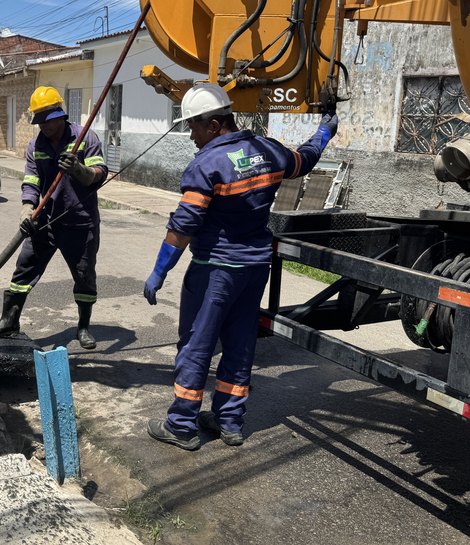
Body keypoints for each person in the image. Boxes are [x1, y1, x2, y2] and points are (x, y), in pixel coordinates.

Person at [144, 82, 339, 450]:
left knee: (197, 345)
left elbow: (184, 226)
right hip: (254, 268)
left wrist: (160, 271)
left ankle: (182, 424)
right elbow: (305, 159)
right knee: (239, 344)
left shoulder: (207, 165)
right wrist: (325, 131)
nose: (191, 136)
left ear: (214, 125)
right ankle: (229, 420)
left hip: (214, 270)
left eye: (194, 127)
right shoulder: (268, 150)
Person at [0, 86, 108, 350]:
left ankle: (83, 327)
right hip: (45, 221)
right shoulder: (35, 144)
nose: (44, 127)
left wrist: (79, 170)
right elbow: (31, 180)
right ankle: (9, 320)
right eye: (39, 121)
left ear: (60, 115)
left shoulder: (85, 138)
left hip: (79, 223)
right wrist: (27, 208)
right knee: (24, 269)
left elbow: (99, 173)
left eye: (48, 121)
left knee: (84, 275)